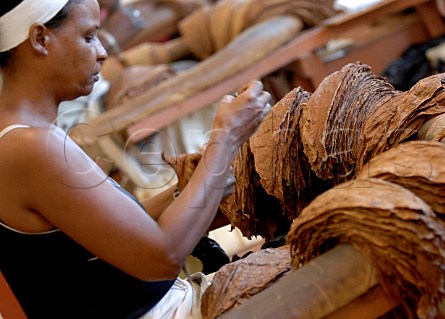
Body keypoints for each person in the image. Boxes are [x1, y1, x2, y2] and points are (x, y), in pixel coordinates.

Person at [0, 0, 271, 318]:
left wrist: (187, 187)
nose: (102, 52)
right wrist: (225, 139)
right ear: (40, 39)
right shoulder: (30, 146)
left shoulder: (27, 135)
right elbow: (162, 257)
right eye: (88, 37)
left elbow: (119, 228)